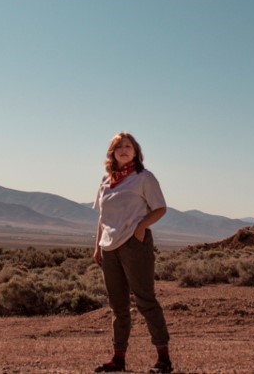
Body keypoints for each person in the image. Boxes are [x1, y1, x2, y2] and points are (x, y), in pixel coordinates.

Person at [93, 132, 173, 374]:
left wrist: (140, 228)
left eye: (128, 146)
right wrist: (97, 245)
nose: (124, 150)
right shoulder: (106, 181)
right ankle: (118, 358)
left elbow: (160, 208)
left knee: (145, 299)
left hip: (134, 244)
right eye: (119, 147)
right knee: (118, 306)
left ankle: (163, 358)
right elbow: (101, 217)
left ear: (136, 151)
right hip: (109, 247)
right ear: (112, 153)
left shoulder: (143, 178)